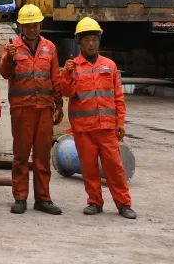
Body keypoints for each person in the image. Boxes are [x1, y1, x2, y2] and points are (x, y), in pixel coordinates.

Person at [60, 17, 136, 219]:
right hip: (84, 129)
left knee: (115, 168)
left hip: (106, 128)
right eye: (87, 40)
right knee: (89, 168)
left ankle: (124, 204)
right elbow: (66, 91)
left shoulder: (109, 66)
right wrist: (66, 74)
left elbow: (118, 97)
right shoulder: (73, 67)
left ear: (99, 41)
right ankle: (94, 202)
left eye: (94, 39)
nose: (91, 43)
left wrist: (120, 122)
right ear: (80, 43)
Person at [0, 4, 63, 215]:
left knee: (42, 156)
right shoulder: (12, 48)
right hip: (22, 109)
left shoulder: (50, 48)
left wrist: (59, 104)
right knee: (21, 155)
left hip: (44, 108)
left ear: (40, 24)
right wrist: (9, 57)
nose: (32, 29)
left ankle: (43, 199)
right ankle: (20, 197)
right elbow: (6, 73)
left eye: (35, 25)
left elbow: (55, 77)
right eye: (28, 26)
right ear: (21, 26)